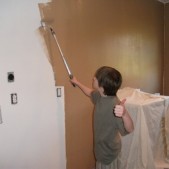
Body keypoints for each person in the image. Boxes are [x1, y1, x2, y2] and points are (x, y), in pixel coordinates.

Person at [70, 66, 134, 169]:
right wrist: (77, 82)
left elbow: (130, 129)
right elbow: (90, 92)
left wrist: (124, 114)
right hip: (101, 151)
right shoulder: (101, 96)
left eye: (96, 77)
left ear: (102, 87)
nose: (93, 78)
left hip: (109, 155)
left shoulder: (114, 106)